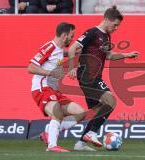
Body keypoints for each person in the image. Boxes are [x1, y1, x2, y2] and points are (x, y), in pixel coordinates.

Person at [68, 5, 139, 151]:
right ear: (106, 19)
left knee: (97, 111)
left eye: (118, 26)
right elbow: (72, 48)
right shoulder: (92, 32)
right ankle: (92, 133)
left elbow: (110, 56)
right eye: (115, 25)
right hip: (88, 76)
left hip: (94, 77)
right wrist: (71, 68)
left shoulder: (106, 36)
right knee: (111, 101)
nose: (116, 28)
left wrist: (126, 55)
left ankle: (80, 143)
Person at [28, 22, 86, 152]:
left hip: (53, 90)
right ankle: (52, 145)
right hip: (42, 88)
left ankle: (49, 132)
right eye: (71, 36)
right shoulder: (49, 47)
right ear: (64, 35)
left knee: (80, 113)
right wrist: (51, 73)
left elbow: (65, 53)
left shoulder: (59, 50)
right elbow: (30, 68)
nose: (72, 39)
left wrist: (90, 49)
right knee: (57, 113)